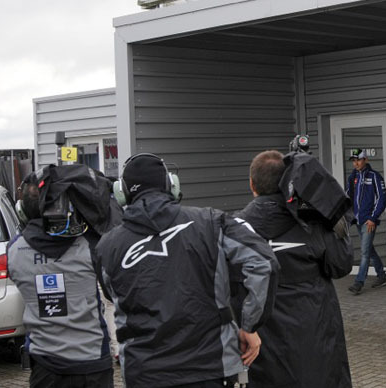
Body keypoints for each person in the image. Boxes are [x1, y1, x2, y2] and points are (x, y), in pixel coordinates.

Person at [95, 153, 279, 388]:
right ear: (172, 185)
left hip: (144, 374)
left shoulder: (106, 246)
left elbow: (112, 296)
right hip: (210, 369)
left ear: (122, 193)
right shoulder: (211, 222)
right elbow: (263, 263)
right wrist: (250, 325)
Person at [234, 150, 353, 388]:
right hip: (316, 341)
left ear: (252, 184)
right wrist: (336, 221)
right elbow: (342, 264)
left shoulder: (234, 229)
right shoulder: (313, 223)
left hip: (263, 348)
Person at [7, 164, 118, 388]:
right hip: (92, 364)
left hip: (45, 366)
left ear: (22, 211)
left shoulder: (14, 251)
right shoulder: (90, 246)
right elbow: (113, 293)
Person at [345, 148, 386, 295]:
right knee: (369, 249)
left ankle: (358, 283)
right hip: (358, 220)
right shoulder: (352, 177)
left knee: (364, 252)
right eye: (354, 160)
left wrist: (373, 218)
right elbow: (348, 197)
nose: (356, 163)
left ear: (366, 160)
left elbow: (382, 198)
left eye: (359, 160)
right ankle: (382, 276)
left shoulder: (375, 176)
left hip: (369, 221)